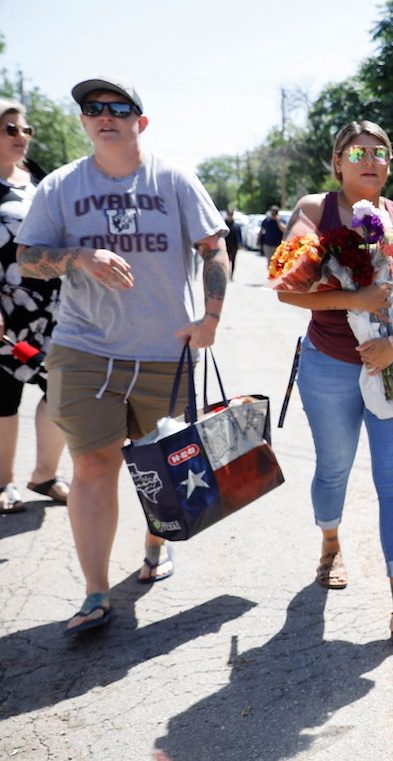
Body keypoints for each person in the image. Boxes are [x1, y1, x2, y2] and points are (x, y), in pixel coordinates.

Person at [16, 76, 229, 635]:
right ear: (84, 121)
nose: (104, 115)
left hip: (166, 352)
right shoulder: (60, 186)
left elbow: (214, 248)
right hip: (83, 349)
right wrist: (79, 256)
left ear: (141, 120)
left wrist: (210, 319)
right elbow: (27, 257)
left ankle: (157, 545)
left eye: (118, 107)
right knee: (91, 464)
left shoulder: (174, 179)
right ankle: (94, 593)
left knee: (158, 466)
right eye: (92, 108)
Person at [277, 120, 393, 644]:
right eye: (357, 151)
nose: (370, 159)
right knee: (334, 468)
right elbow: (287, 290)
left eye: (381, 152)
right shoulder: (312, 211)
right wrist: (355, 299)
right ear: (337, 162)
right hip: (329, 364)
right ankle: (330, 542)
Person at [0, 98, 70, 514]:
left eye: (25, 129)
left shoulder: (40, 178)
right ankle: (3, 483)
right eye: (11, 129)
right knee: (3, 398)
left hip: (55, 310)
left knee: (61, 390)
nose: (22, 137)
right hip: (7, 312)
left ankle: (45, 474)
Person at [223, 208, 242, 277]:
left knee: (233, 260)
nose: (229, 216)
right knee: (226, 260)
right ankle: (226, 273)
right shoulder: (223, 224)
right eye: (228, 215)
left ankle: (231, 274)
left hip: (234, 245)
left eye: (231, 215)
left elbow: (239, 236)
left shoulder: (236, 225)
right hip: (225, 245)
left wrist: (240, 244)